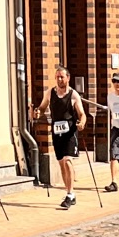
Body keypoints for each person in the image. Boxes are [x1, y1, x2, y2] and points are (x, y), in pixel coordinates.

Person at [37, 68, 86, 210]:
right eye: (57, 77)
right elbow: (42, 107)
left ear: (68, 78)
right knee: (61, 163)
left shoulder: (73, 95)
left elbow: (82, 114)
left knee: (67, 160)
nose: (59, 80)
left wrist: (82, 123)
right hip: (56, 132)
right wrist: (37, 112)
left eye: (62, 77)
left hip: (70, 132)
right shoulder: (50, 93)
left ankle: (70, 194)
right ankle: (69, 193)